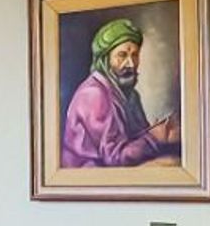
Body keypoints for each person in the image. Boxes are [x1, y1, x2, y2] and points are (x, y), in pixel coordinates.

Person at [60, 17, 179, 168]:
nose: (131, 64)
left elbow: (136, 141)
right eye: (122, 55)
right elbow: (115, 158)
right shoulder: (94, 95)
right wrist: (155, 137)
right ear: (105, 59)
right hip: (90, 178)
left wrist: (163, 133)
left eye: (134, 55)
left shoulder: (131, 96)